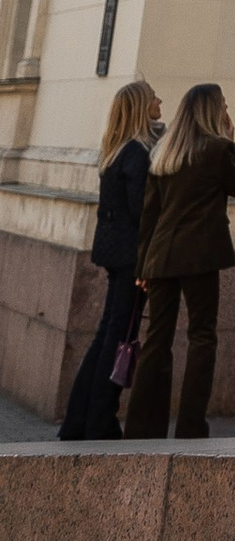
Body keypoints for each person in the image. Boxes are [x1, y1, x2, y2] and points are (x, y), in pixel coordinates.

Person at [128, 83, 235, 440]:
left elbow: (149, 216)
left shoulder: (164, 151)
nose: (227, 111)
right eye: (224, 106)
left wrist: (142, 267)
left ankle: (139, 426)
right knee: (201, 337)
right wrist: (233, 139)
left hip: (161, 256)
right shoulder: (217, 149)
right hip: (200, 257)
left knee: (156, 340)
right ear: (214, 111)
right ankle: (190, 425)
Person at [57, 77, 161, 440]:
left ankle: (79, 420)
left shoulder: (116, 150)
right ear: (139, 108)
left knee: (107, 335)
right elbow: (141, 211)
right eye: (153, 99)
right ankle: (99, 419)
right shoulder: (137, 153)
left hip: (116, 254)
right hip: (132, 258)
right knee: (119, 336)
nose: (159, 102)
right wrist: (148, 260)